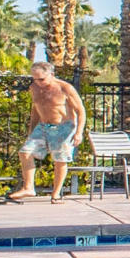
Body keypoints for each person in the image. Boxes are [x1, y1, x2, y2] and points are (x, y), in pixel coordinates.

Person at [8, 59, 88, 203]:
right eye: (35, 79)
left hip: (63, 127)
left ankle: (56, 194)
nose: (38, 82)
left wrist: (79, 132)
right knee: (25, 152)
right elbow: (36, 110)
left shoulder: (65, 88)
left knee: (60, 160)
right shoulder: (34, 88)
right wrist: (31, 130)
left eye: (41, 79)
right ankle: (29, 188)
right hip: (43, 126)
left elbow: (80, 110)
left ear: (51, 74)